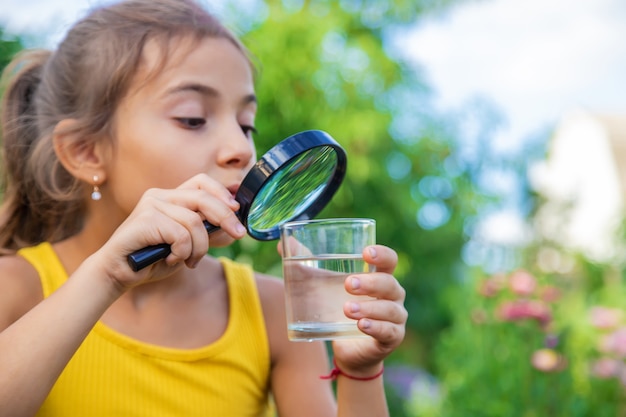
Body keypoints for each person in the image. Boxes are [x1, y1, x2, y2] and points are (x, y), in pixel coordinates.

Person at [0, 0, 408, 416]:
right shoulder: (15, 289)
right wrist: (105, 276)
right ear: (85, 152)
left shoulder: (270, 309)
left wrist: (360, 370)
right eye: (193, 119)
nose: (241, 148)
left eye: (246, 124)